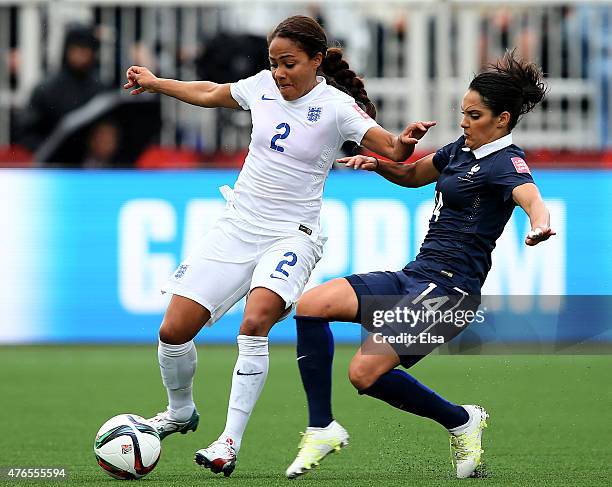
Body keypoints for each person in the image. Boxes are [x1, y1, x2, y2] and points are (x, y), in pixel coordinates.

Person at [123, 15, 435, 477]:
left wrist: (404, 143)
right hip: (236, 226)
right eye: (273, 63)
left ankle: (228, 441)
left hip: (292, 235)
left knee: (256, 321)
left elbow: (390, 149)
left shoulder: (336, 107)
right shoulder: (261, 87)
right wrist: (155, 83)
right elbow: (211, 93)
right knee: (173, 332)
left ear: (314, 61)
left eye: (289, 63)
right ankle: (180, 412)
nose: (280, 73)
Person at [286, 50, 555, 480]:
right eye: (462, 113)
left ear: (502, 119)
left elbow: (531, 198)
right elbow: (413, 175)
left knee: (363, 373)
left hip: (452, 294)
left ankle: (460, 420)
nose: (464, 122)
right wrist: (378, 164)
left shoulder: (506, 162)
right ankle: (321, 426)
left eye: (474, 114)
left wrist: (540, 225)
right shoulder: (462, 150)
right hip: (417, 275)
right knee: (312, 304)